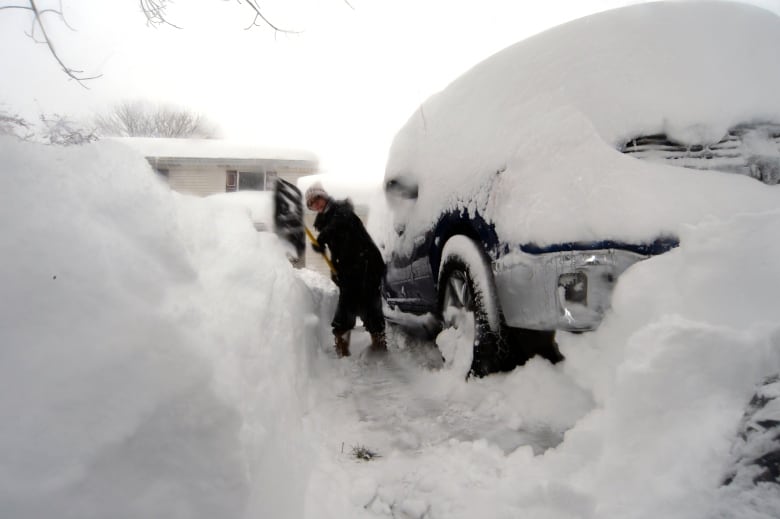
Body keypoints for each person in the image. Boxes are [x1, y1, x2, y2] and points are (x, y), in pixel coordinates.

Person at [305, 182, 386, 358]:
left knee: (369, 303)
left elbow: (341, 224)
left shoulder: (341, 211)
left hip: (367, 263)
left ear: (324, 196)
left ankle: (378, 342)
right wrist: (336, 271)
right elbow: (338, 249)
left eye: (316, 199)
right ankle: (343, 346)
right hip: (350, 267)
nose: (316, 204)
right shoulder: (326, 220)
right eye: (311, 204)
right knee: (348, 303)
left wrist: (324, 235)